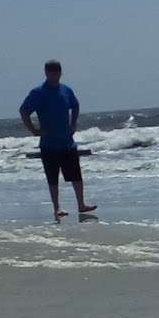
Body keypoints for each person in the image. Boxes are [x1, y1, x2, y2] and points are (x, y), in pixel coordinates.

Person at [19, 60, 97, 222]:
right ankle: (57, 208)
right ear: (46, 73)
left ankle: (81, 204)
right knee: (53, 177)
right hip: (48, 143)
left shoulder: (66, 90)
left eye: (57, 71)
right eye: (52, 71)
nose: (55, 74)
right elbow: (24, 110)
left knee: (76, 175)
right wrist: (34, 130)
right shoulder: (38, 92)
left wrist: (73, 123)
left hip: (67, 142)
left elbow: (75, 105)